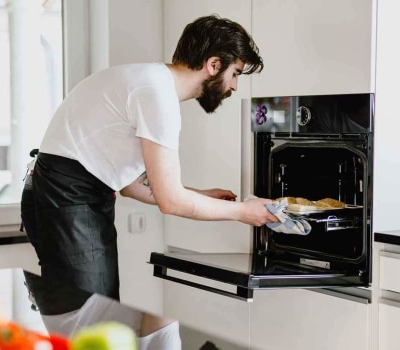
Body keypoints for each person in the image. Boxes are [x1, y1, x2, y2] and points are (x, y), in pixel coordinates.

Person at [20, 13, 278, 342]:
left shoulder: (147, 82)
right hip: (67, 198)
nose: (234, 86)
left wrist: (196, 193)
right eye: (235, 73)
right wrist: (246, 213)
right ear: (213, 64)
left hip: (64, 192)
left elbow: (130, 184)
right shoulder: (157, 94)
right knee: (90, 325)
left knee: (96, 320)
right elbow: (170, 202)